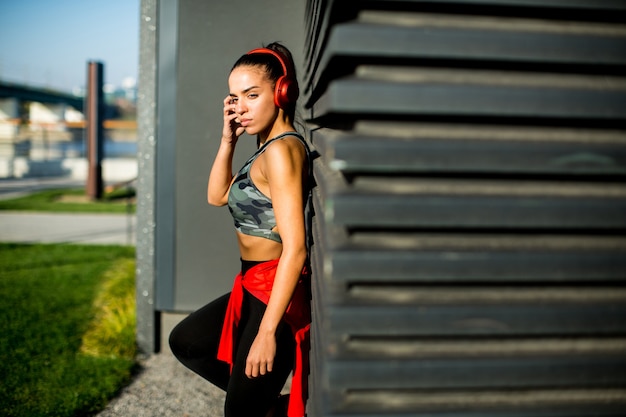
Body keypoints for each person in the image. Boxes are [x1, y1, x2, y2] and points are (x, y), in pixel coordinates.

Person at [169, 42, 312, 417]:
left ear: (282, 92)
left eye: (252, 95)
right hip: (250, 283)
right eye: (234, 97)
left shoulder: (281, 152)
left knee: (240, 413)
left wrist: (267, 333)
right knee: (188, 341)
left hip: (273, 289)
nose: (241, 107)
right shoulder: (264, 147)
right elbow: (217, 196)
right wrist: (227, 139)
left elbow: (295, 248)